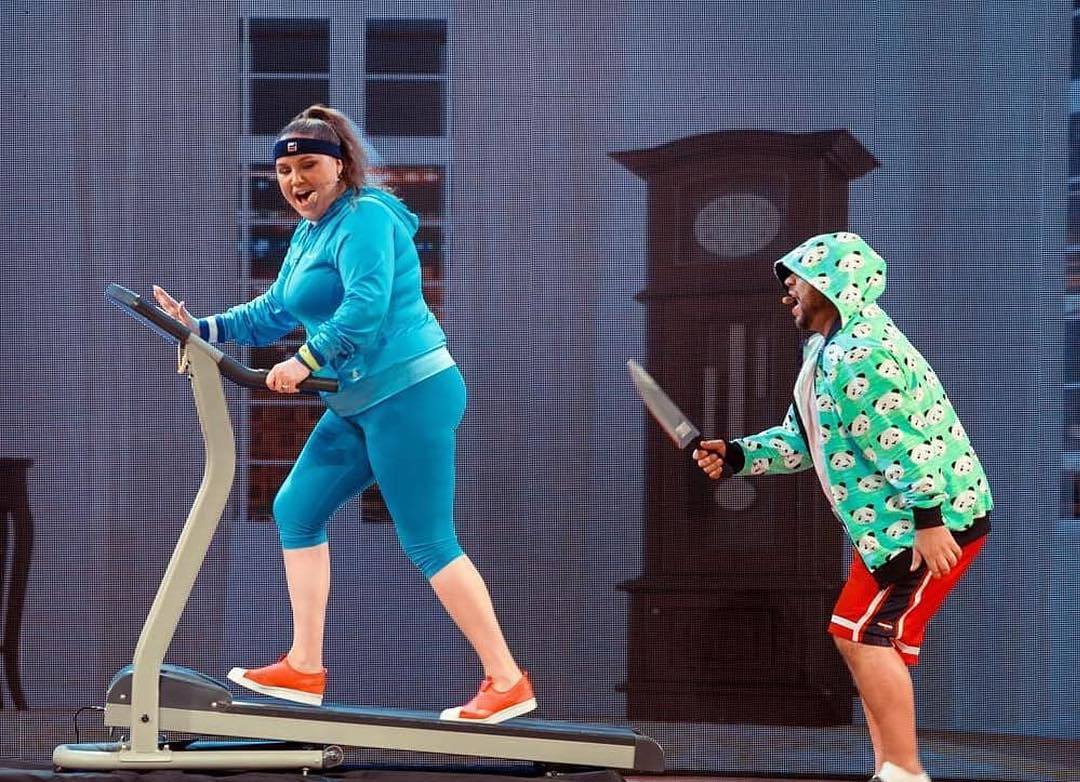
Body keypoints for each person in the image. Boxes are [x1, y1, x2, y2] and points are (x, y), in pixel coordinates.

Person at [153, 104, 535, 724]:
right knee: (295, 509)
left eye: (308, 165)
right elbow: (275, 310)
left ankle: (507, 680)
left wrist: (304, 360)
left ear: (340, 166)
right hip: (356, 401)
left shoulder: (366, 216)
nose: (295, 181)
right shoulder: (309, 234)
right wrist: (200, 327)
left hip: (410, 393)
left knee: (429, 540)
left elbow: (366, 305)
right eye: (284, 171)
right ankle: (304, 666)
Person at [692, 232, 991, 782]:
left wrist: (928, 522)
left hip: (922, 523)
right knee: (869, 638)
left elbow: (907, 443)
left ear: (832, 285)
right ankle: (892, 770)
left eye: (797, 280)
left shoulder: (861, 355)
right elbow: (803, 440)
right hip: (886, 525)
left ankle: (903, 773)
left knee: (860, 635)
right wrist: (738, 455)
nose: (786, 291)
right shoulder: (824, 351)